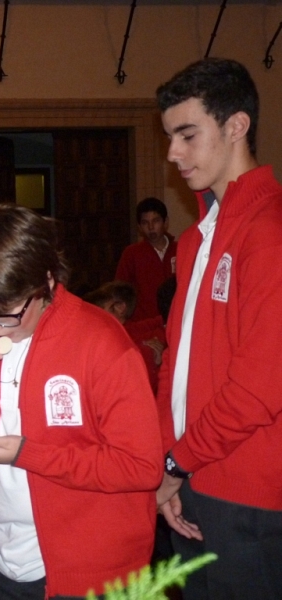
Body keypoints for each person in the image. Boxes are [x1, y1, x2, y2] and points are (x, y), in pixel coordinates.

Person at [0, 204, 162, 599]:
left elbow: (141, 467)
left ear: (46, 282)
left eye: (5, 313)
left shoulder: (102, 342)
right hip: (10, 557)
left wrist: (29, 454)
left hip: (92, 569)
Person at [155, 58, 282, 599]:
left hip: (247, 493)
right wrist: (170, 464)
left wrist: (175, 461)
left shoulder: (269, 233)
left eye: (187, 134)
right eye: (169, 137)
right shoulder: (196, 239)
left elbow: (259, 389)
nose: (172, 153)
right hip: (191, 479)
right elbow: (174, 363)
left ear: (236, 126)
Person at [84, 280, 165, 395]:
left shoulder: (141, 340)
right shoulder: (134, 335)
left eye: (101, 309)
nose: (96, 316)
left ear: (120, 308)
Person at [115, 197, 177, 321]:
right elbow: (120, 291)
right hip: (143, 324)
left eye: (156, 221)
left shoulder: (181, 249)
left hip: (176, 321)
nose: (151, 227)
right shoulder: (131, 253)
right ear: (139, 227)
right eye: (145, 222)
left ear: (166, 222)